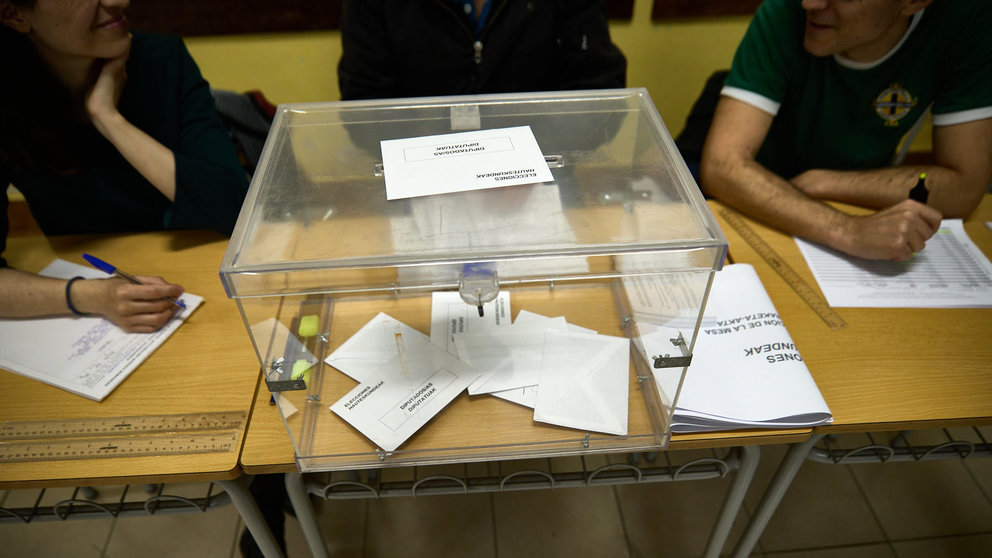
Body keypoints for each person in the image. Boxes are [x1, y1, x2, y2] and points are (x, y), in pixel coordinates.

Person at [0, 0, 249, 332]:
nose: (119, 1)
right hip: (99, 304)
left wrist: (108, 118)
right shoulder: (6, 101)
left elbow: (236, 209)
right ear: (15, 15)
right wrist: (90, 296)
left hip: (205, 276)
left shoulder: (161, 58)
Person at [700, 0, 992, 262]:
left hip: (850, 205)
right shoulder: (784, 10)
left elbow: (964, 189)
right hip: (760, 211)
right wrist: (847, 230)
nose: (809, 3)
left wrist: (824, 183)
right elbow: (722, 166)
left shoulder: (967, 21)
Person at [338, 0, 627, 101]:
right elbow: (364, 100)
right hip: (418, 187)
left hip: (540, 181)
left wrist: (524, 163)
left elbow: (598, 88)